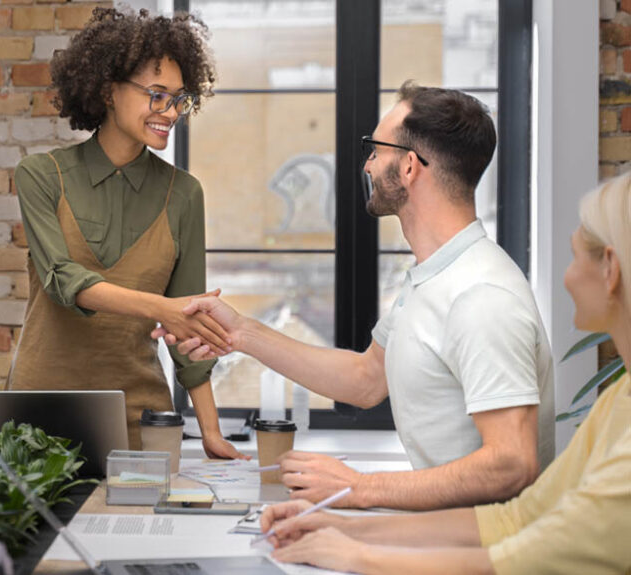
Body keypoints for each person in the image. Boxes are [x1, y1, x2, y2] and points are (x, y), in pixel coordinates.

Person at [158, 82, 555, 509]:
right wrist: (242, 333)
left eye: (376, 149)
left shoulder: (482, 296)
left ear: (408, 167)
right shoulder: (433, 275)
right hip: (442, 538)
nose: (367, 165)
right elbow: (367, 379)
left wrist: (360, 488)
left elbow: (511, 464)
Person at [257, 175, 631, 575]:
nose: (566, 276)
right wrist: (346, 528)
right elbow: (515, 520)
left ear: (609, 268)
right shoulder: (619, 397)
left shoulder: (483, 296)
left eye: (574, 257)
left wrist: (356, 549)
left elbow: (529, 556)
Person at [8, 7, 243, 457]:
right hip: (38, 416)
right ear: (107, 90)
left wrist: (211, 432)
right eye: (157, 95)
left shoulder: (184, 195)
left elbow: (187, 327)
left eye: (179, 98)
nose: (170, 111)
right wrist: (162, 309)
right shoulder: (40, 175)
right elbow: (63, 279)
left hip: (141, 421)